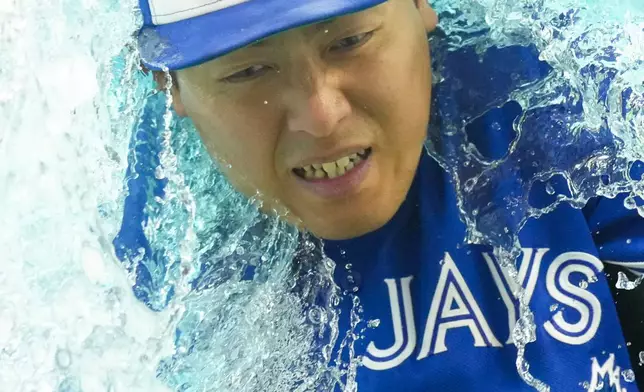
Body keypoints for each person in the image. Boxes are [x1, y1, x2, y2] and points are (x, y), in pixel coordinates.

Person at [129, 0, 644, 390]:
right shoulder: (145, 253)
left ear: (423, 4)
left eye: (349, 41)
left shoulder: (575, 115)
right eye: (247, 70)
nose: (320, 115)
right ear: (166, 82)